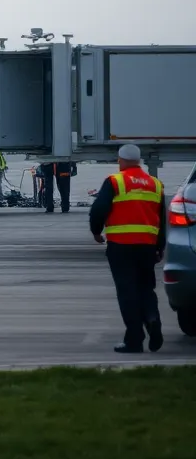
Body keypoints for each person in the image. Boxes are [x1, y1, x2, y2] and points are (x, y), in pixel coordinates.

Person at [89, 144, 166, 354]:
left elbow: (99, 209)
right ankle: (152, 318)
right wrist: (160, 246)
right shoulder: (155, 184)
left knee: (127, 291)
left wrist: (96, 231)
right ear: (139, 161)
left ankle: (134, 339)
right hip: (147, 246)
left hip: (121, 246)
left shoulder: (115, 181)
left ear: (120, 160)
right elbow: (162, 219)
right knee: (146, 288)